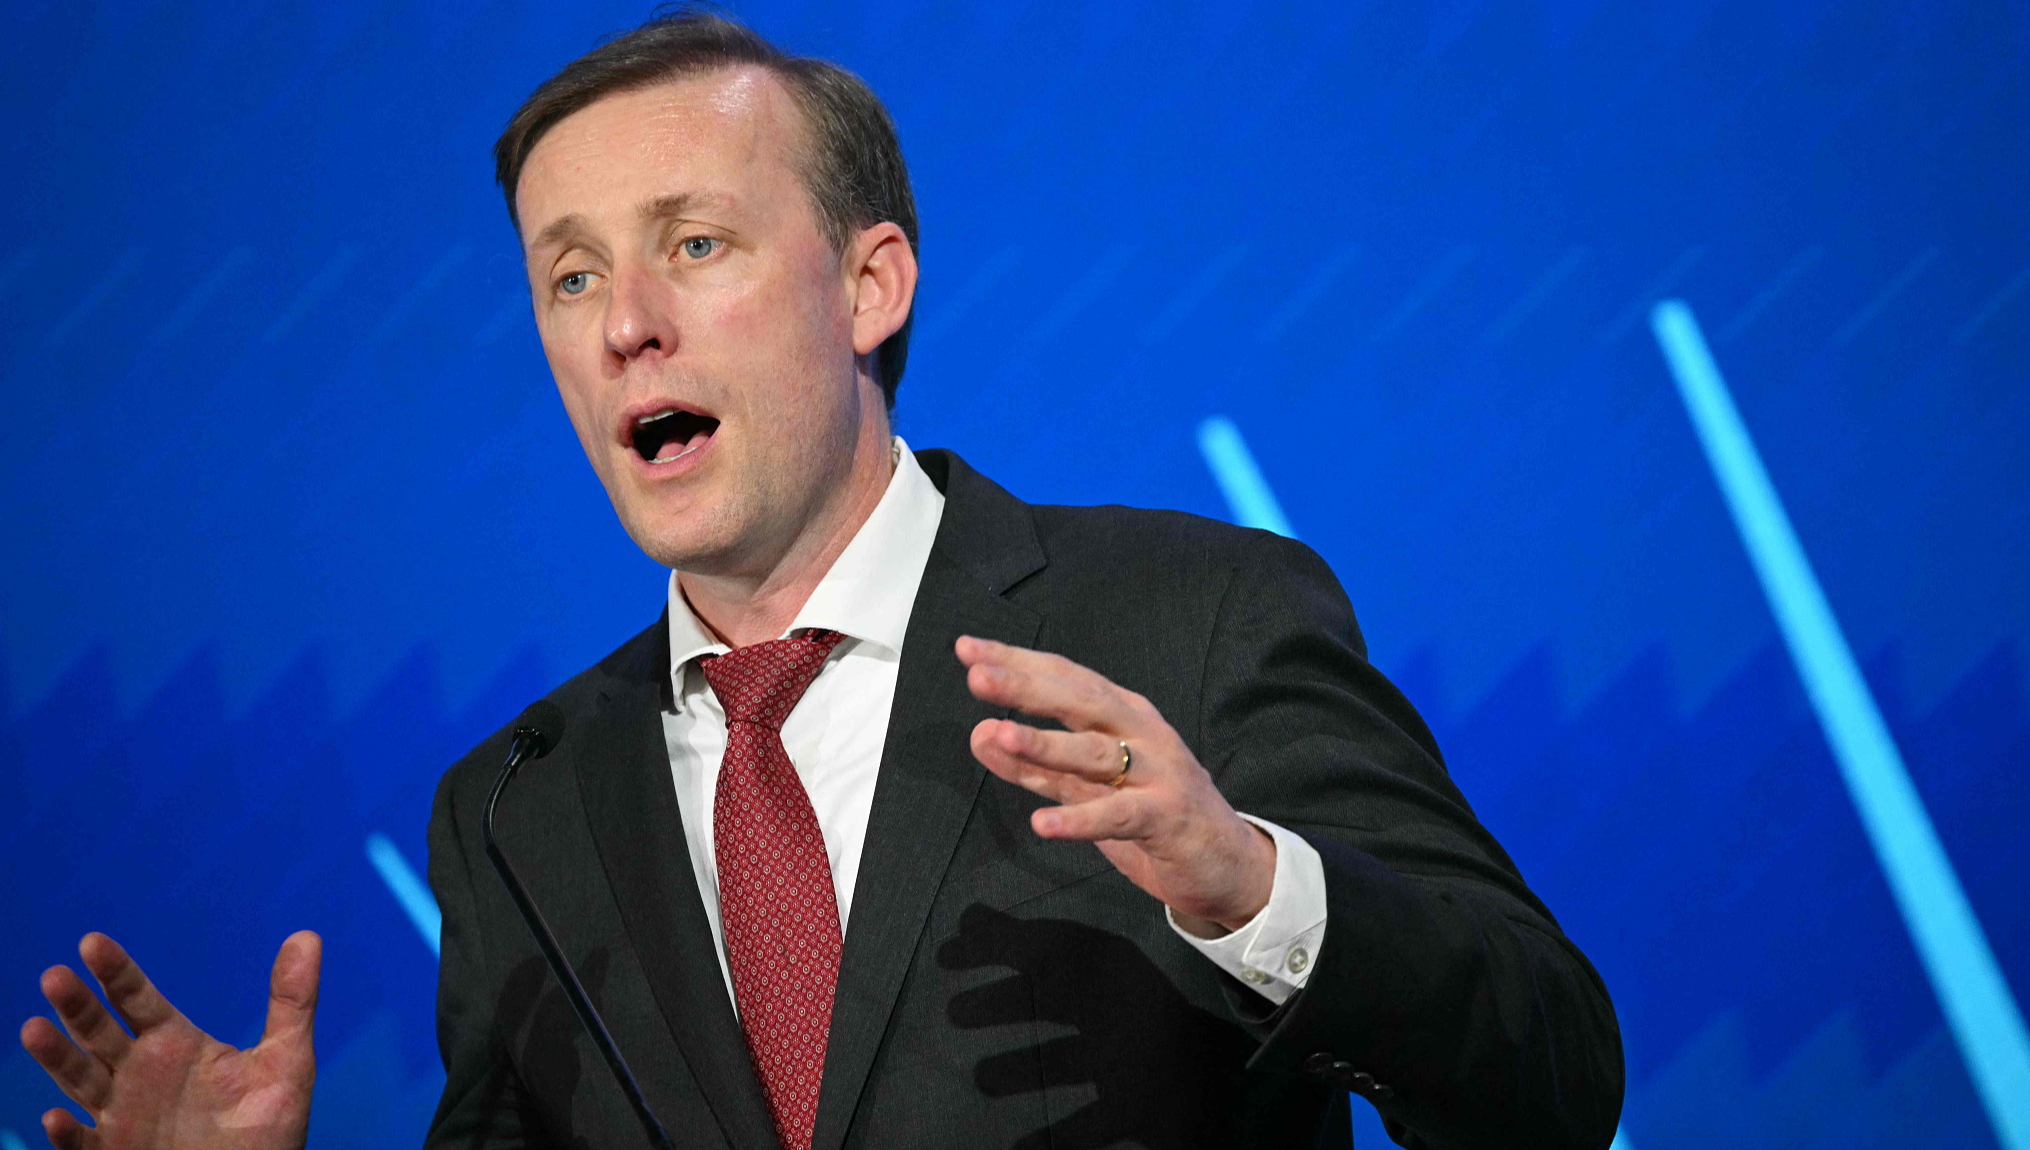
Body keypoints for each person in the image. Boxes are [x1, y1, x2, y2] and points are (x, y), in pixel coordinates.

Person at [17, 10, 1623, 1149]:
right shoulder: (516, 806)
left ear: (871, 285)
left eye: (693, 243)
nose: (622, 319)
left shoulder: (1188, 616)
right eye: (568, 273)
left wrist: (1253, 888)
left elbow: (1553, 1074)